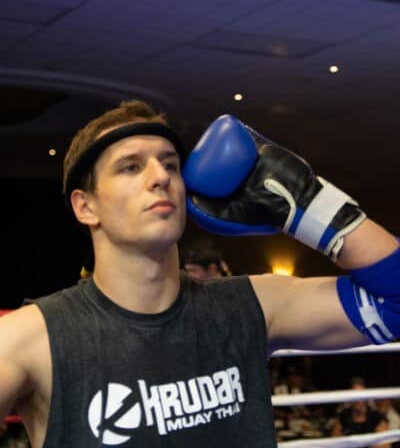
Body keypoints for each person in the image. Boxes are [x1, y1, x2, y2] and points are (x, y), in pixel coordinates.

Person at [0, 100, 399, 448]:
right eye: (131, 166)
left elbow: (393, 302)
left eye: (170, 164)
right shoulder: (30, 339)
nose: (161, 177)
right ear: (85, 207)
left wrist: (309, 204)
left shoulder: (251, 306)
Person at [331, 377, 389, 447]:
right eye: (354, 394)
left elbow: (385, 446)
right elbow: (334, 444)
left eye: (361, 394)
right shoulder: (343, 417)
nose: (358, 399)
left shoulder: (377, 418)